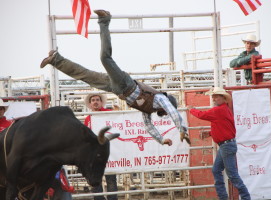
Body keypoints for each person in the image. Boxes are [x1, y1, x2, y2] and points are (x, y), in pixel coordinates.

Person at [40, 10, 190, 146]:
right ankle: (104, 20)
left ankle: (55, 59)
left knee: (86, 75)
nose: (164, 114)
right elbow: (173, 112)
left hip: (117, 89)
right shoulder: (160, 99)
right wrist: (182, 129)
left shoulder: (148, 109)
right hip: (125, 84)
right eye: (164, 112)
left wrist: (162, 140)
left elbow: (149, 126)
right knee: (105, 58)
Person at [187, 87, 250, 200]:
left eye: (216, 96)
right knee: (218, 171)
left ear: (223, 98)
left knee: (231, 174)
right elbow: (225, 127)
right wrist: (211, 133)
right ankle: (225, 197)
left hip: (225, 146)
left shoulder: (218, 110)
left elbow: (202, 115)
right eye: (213, 96)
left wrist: (191, 109)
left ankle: (244, 198)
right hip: (226, 145)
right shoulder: (224, 110)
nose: (214, 98)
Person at [84, 93, 118, 200]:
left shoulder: (109, 113)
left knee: (111, 178)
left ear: (101, 102)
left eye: (97, 100)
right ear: (90, 104)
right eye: (93, 100)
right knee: (95, 179)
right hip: (94, 153)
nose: (95, 102)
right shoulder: (88, 118)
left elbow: (118, 121)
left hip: (108, 151)